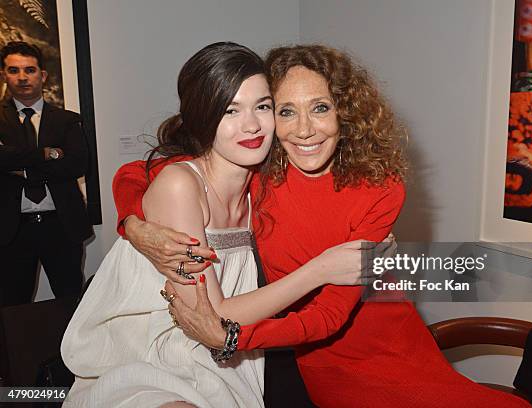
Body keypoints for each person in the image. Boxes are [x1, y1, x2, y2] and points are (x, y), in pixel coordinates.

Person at [114, 44, 530, 407]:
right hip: (325, 363)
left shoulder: (382, 186)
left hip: (390, 343)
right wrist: (134, 224)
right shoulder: (262, 170)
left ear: (344, 112)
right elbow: (138, 174)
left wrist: (231, 338)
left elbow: (330, 314)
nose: (304, 130)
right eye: (285, 111)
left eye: (320, 107)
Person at [61, 42, 369, 408]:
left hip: (231, 355)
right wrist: (321, 270)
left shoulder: (263, 185)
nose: (252, 125)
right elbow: (211, 313)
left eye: (263, 106)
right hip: (154, 353)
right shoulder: (181, 185)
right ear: (202, 117)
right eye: (230, 110)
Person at [0, 41, 91, 307]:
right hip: (10, 230)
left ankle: (69, 351)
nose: (22, 77)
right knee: (11, 309)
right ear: (4, 75)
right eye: (13, 70)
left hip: (61, 226)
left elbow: (77, 165)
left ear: (43, 75)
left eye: (29, 70)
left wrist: (20, 169)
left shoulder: (68, 120)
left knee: (71, 301)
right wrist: (45, 155)